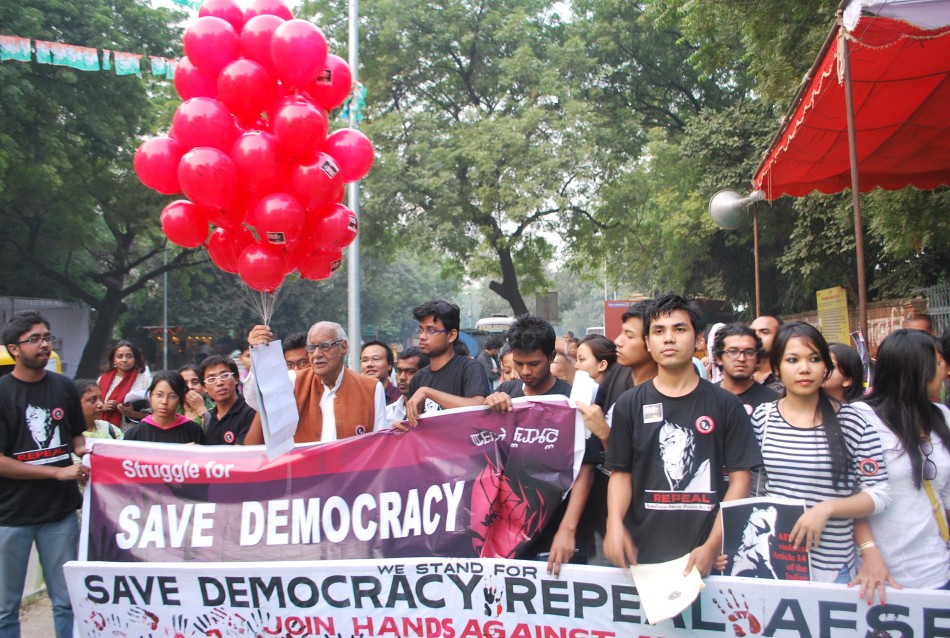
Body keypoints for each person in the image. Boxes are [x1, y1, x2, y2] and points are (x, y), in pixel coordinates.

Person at [604, 293, 761, 576]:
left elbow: (741, 481)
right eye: (658, 331)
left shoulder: (726, 405)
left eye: (679, 329)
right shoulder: (629, 404)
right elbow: (621, 473)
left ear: (698, 339)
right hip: (642, 555)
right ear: (648, 342)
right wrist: (614, 524)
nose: (668, 339)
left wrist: (713, 545)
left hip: (706, 558)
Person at [748, 322, 888, 583]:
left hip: (834, 570)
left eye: (814, 359)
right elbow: (754, 488)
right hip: (774, 565)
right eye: (793, 359)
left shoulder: (854, 424)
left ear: (826, 367)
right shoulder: (763, 419)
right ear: (777, 368)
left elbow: (879, 494)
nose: (804, 368)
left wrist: (827, 509)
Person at [0, 310, 89, 638]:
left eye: (47, 337)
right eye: (34, 339)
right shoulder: (2, 393)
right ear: (14, 348)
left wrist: (86, 452)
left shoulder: (65, 387)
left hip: (60, 514)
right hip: (10, 517)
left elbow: (76, 437)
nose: (44, 345)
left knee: (66, 602)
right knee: (6, 608)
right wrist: (55, 473)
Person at [846, 329, 950, 602]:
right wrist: (870, 552)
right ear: (916, 366)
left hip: (937, 571)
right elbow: (850, 494)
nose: (946, 370)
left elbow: (945, 494)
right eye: (939, 362)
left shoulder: (943, 417)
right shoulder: (860, 418)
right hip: (879, 576)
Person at [483, 315, 582, 576]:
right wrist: (489, 404)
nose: (525, 372)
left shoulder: (570, 400)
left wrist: (567, 530)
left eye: (534, 364)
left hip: (554, 528)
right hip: (507, 530)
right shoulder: (507, 392)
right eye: (519, 364)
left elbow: (587, 469)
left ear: (551, 358)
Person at [244, 322, 387, 444]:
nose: (317, 354)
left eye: (325, 346)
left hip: (351, 475)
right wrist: (259, 354)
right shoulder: (294, 381)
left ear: (343, 347)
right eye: (311, 348)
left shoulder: (372, 388)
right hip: (305, 473)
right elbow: (256, 398)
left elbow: (379, 446)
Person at [405, 300, 491, 425]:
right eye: (421, 330)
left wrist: (428, 393)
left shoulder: (469, 368)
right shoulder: (418, 379)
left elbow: (477, 407)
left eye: (431, 330)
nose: (422, 336)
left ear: (451, 335)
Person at [712, 323, 779, 415]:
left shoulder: (773, 402)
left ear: (757, 358)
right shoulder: (706, 397)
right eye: (733, 351)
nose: (741, 358)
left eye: (749, 352)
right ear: (719, 358)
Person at [124, 371, 206, 444]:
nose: (164, 402)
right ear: (150, 396)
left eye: (172, 396)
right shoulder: (134, 434)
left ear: (180, 400)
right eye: (159, 395)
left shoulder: (193, 430)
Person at [200, 355, 256, 445]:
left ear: (236, 378)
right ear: (204, 387)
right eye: (211, 379)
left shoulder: (251, 411)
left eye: (225, 375)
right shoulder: (209, 418)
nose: (219, 383)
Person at [97, 340, 151, 430]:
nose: (124, 360)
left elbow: (155, 415)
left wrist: (132, 413)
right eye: (119, 356)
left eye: (129, 356)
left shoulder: (146, 381)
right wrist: (103, 407)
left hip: (134, 432)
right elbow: (91, 407)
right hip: (106, 432)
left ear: (135, 359)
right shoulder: (102, 379)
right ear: (113, 360)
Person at [386, 347, 430, 423]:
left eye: (410, 372)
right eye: (399, 371)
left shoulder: (436, 412)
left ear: (425, 374)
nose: (402, 377)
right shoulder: (388, 413)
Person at [751, 315, 785, 394]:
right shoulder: (740, 375)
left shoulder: (788, 378)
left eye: (764, 332)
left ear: (780, 337)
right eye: (752, 332)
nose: (756, 337)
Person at [361, 340, 400, 405]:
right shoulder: (354, 397)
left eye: (376, 359)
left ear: (389, 365)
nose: (369, 364)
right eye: (365, 360)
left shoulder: (400, 399)